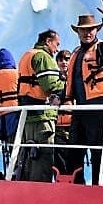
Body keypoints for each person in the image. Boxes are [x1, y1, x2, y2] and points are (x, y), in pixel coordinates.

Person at [65, 0, 103, 185]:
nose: (87, 33)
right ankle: (76, 186)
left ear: (96, 30)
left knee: (100, 152)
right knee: (73, 151)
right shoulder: (76, 53)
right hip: (81, 111)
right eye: (83, 30)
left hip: (100, 108)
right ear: (78, 32)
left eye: (90, 30)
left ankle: (102, 188)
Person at [15, 29, 65, 182]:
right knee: (43, 159)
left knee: (30, 157)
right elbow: (50, 85)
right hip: (42, 116)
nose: (56, 49)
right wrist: (67, 86)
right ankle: (40, 193)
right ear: (48, 41)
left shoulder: (26, 55)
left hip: (28, 115)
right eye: (56, 44)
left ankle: (26, 191)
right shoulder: (43, 56)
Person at [54, 50, 74, 177]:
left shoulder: (77, 78)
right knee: (59, 162)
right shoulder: (53, 80)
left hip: (74, 126)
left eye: (67, 59)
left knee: (75, 161)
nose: (64, 62)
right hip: (58, 127)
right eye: (61, 60)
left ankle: (78, 186)